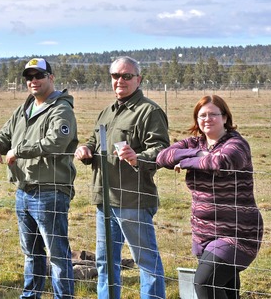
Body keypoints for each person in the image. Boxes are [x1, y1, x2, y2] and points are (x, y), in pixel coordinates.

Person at [74, 56, 169, 299]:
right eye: (115, 76)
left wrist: (138, 157)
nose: (120, 81)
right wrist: (85, 150)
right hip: (105, 200)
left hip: (133, 200)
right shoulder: (107, 112)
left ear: (139, 79)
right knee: (106, 262)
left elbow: (161, 149)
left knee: (145, 262)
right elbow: (95, 142)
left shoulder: (149, 111)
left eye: (127, 76)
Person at [0, 58, 78, 299]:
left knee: (56, 254)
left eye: (39, 75)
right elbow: (4, 135)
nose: (33, 81)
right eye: (29, 77)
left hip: (50, 190)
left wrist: (19, 150)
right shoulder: (24, 109)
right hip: (23, 190)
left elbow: (56, 141)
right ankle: (30, 296)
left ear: (51, 78)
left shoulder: (61, 109)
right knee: (31, 252)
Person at [156, 95, 263, 298]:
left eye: (213, 114)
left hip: (236, 233)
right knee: (227, 290)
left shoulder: (237, 144)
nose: (207, 119)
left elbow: (220, 163)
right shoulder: (195, 143)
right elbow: (163, 157)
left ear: (224, 117)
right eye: (202, 115)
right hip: (203, 234)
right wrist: (197, 155)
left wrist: (187, 161)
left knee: (205, 283)